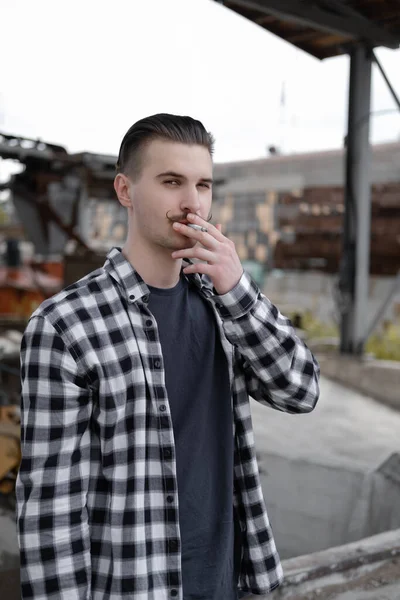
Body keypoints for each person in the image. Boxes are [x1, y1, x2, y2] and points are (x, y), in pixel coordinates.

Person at [16, 114, 320, 600]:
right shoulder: (65, 324)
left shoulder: (226, 305)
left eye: (203, 184)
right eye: (171, 181)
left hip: (227, 583)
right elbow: (51, 515)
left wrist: (237, 289)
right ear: (125, 190)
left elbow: (300, 391)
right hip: (135, 584)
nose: (192, 202)